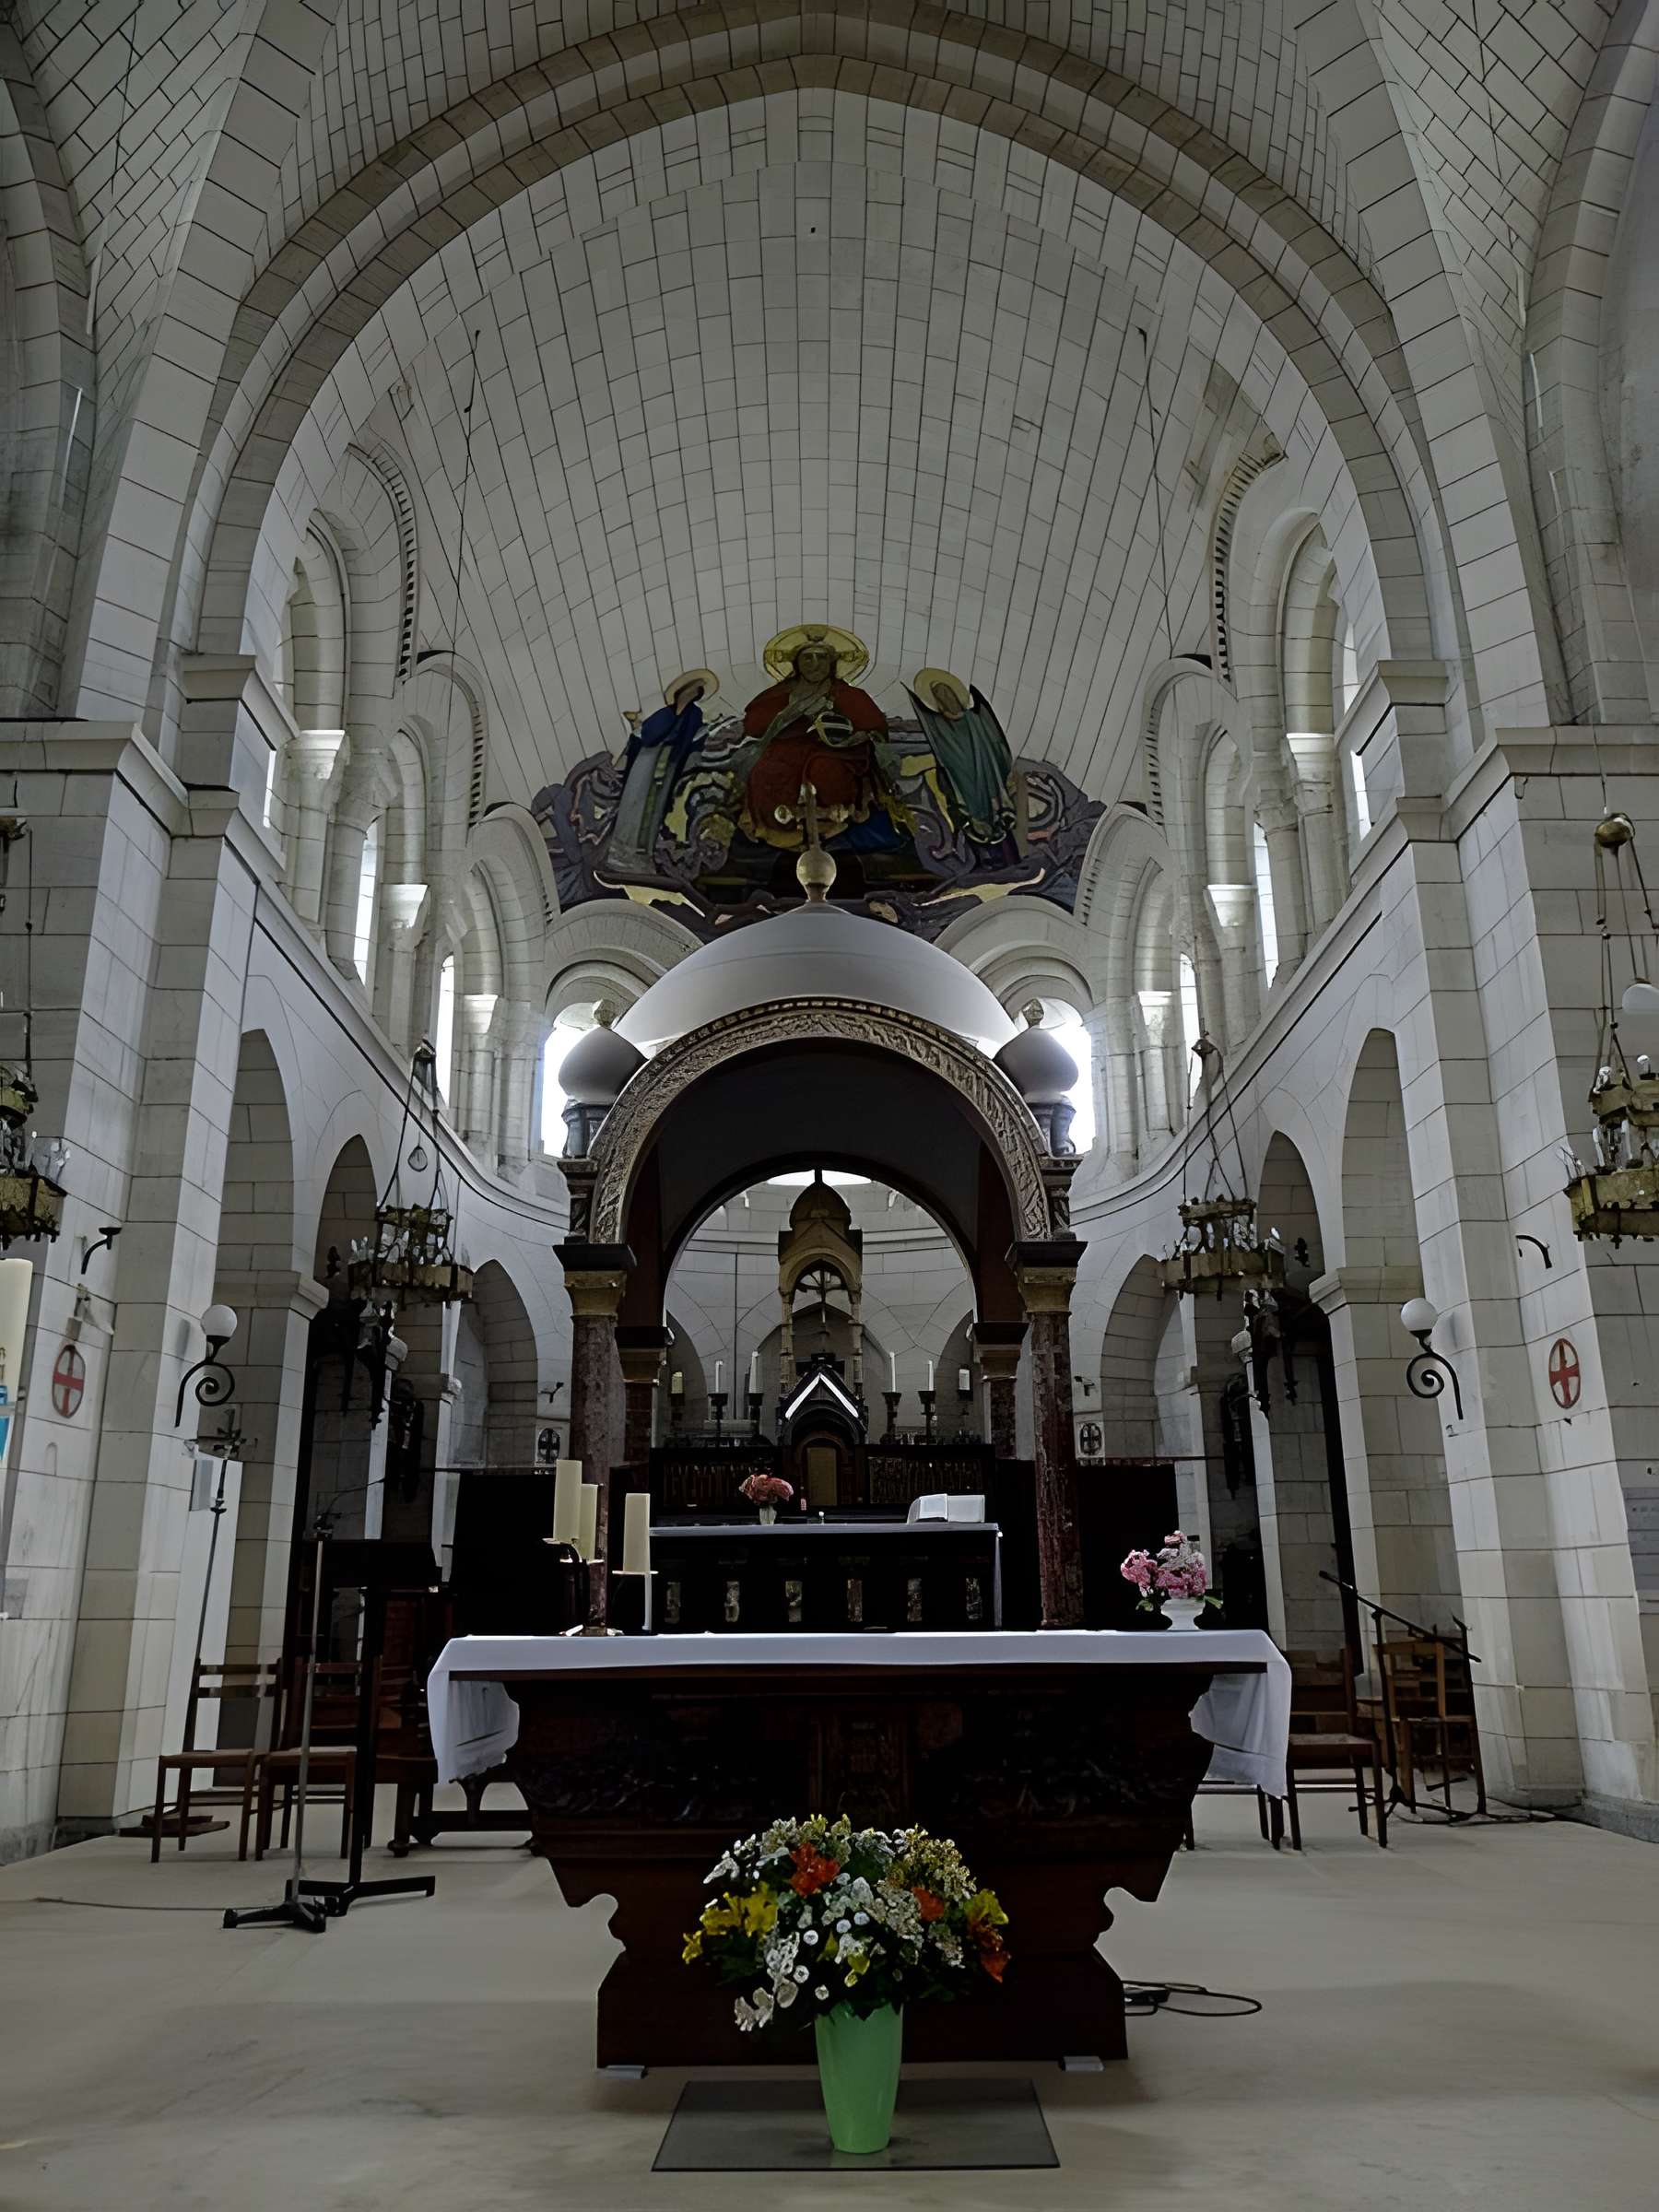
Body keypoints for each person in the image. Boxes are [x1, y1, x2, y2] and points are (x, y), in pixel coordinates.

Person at [740, 628, 895, 852]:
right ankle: (778, 829)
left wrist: (849, 734)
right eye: (808, 658)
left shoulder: (845, 693)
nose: (815, 664)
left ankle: (831, 821)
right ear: (797, 663)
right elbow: (754, 724)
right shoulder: (782, 692)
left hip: (836, 750)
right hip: (788, 748)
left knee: (825, 768)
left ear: (832, 663)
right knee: (766, 769)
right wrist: (788, 713)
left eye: (822, 657)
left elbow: (875, 728)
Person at [608, 668, 716, 869]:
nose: (693, 695)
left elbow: (695, 739)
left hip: (669, 765)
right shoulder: (665, 713)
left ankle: (643, 852)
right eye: (692, 691)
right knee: (635, 799)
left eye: (698, 693)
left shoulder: (695, 715)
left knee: (656, 805)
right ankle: (622, 848)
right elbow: (648, 735)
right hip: (648, 760)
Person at [905, 667, 1017, 849]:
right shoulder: (939, 724)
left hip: (985, 768)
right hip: (961, 774)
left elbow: (991, 742)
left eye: (949, 694)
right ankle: (980, 826)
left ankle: (998, 819)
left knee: (989, 791)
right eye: (942, 696)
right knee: (968, 795)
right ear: (938, 702)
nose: (948, 699)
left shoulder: (974, 719)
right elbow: (941, 746)